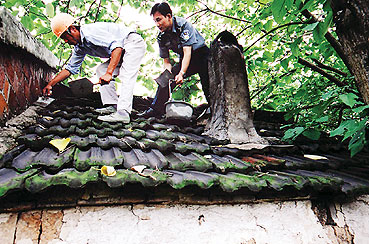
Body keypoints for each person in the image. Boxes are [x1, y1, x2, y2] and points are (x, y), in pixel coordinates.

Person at [43, 13, 146, 123]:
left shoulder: (89, 33)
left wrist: (109, 73)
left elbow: (117, 47)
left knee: (127, 74)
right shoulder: (80, 47)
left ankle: (123, 113)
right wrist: (51, 84)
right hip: (122, 49)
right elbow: (70, 69)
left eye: (65, 37)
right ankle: (112, 105)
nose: (66, 41)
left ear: (72, 29)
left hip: (132, 43)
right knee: (101, 70)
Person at [139, 2, 210, 118]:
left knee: (207, 83)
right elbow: (166, 62)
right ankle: (156, 110)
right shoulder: (161, 37)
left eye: (159, 19)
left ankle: (212, 108)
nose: (157, 24)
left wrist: (182, 73)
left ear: (168, 16)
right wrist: (168, 75)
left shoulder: (182, 25)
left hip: (201, 55)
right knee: (166, 79)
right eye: (155, 21)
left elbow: (188, 52)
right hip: (185, 59)